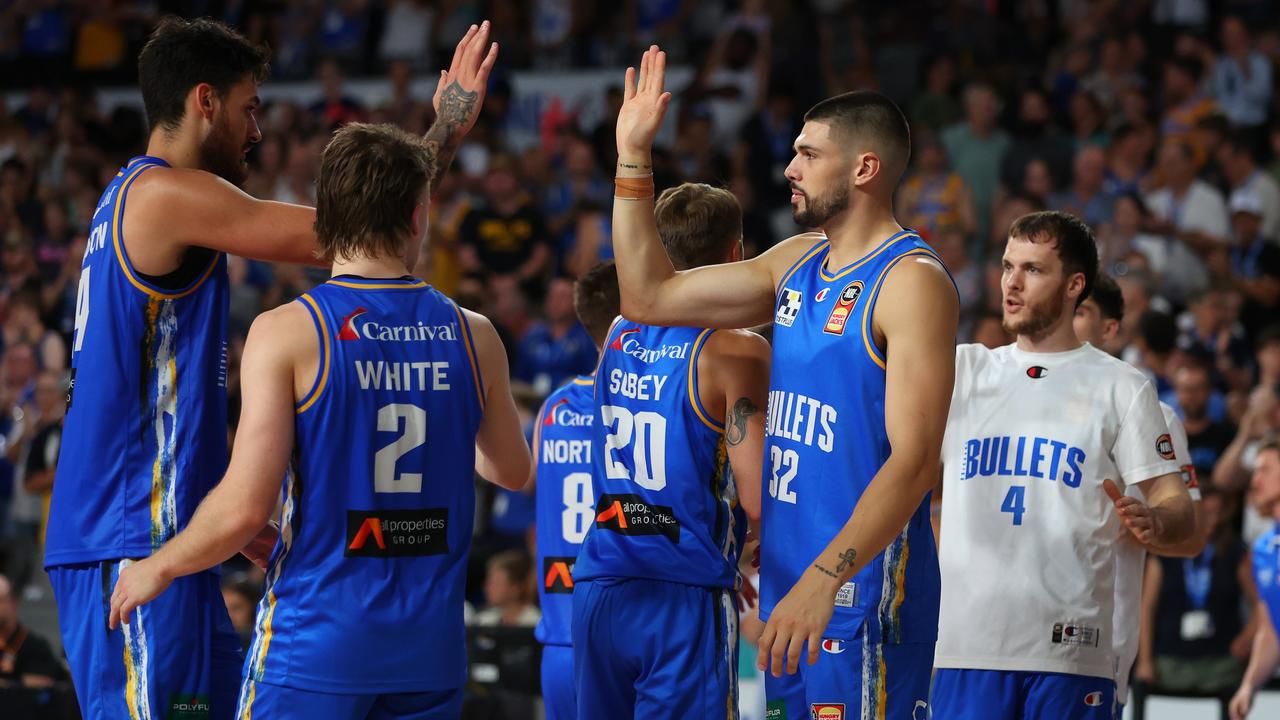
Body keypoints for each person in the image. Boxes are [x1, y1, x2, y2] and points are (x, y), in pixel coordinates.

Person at [45, 18, 498, 720]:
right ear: (205, 102)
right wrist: (444, 132)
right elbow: (357, 233)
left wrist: (231, 505)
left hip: (164, 526)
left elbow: (163, 391)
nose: (257, 128)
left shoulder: (137, 201)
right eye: (249, 106)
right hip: (130, 534)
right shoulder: (165, 194)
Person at [107, 121, 530, 718]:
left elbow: (247, 508)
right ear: (417, 217)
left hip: (317, 641)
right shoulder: (476, 334)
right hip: (429, 652)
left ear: (324, 218)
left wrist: (159, 565)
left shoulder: (287, 331)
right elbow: (510, 471)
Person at [609, 46, 957, 718]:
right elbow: (646, 296)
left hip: (857, 593)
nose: (789, 168)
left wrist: (827, 577)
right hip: (786, 591)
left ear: (864, 168)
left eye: (807, 154)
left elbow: (915, 464)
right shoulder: (798, 260)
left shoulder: (911, 281)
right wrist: (633, 159)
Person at [933, 210, 1195, 718]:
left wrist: (1158, 519)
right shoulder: (963, 369)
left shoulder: (1122, 385)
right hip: (965, 645)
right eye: (1008, 266)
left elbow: (1177, 505)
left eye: (1032, 269)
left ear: (1075, 284)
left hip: (1072, 651)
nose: (1011, 282)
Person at [571, 180, 770, 718]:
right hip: (682, 590)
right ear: (737, 254)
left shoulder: (616, 329)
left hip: (599, 584)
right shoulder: (736, 349)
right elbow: (757, 498)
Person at [1072, 272, 1207, 713]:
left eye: (1081, 312)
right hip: (998, 641)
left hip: (1096, 644)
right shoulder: (1014, 396)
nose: (1065, 319)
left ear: (1110, 329)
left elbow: (1192, 538)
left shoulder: (1155, 413)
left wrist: (1152, 526)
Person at [531, 260, 620, 720]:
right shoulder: (646, 400)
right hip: (625, 636)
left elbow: (524, 480)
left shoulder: (554, 406)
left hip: (560, 636)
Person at [1229, 436, 1280, 719]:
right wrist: (1249, 686)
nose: (1255, 481)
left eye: (1264, 470)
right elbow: (1271, 630)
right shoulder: (1263, 549)